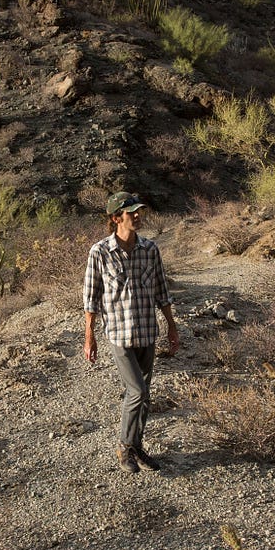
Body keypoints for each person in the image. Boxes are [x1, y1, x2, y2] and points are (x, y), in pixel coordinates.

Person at [83, 191, 180, 473]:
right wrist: (89, 337)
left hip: (147, 331)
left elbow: (162, 291)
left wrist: (172, 328)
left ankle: (137, 448)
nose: (137, 216)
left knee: (145, 394)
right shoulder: (99, 252)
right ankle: (125, 447)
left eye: (139, 211)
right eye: (130, 212)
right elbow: (91, 299)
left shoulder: (150, 250)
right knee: (136, 391)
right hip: (119, 334)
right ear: (116, 218)